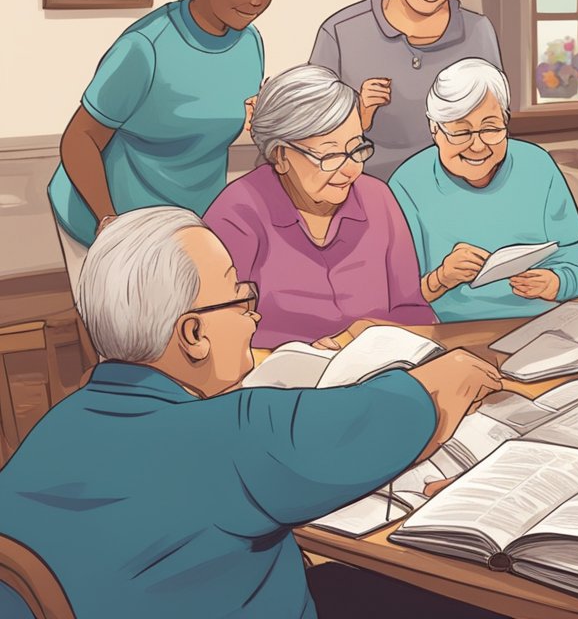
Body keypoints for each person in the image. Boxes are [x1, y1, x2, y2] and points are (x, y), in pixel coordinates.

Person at [0, 207, 504, 618]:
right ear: (193, 335)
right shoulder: (234, 433)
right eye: (241, 296)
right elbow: (408, 411)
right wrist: (457, 368)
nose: (254, 315)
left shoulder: (54, 429)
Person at [48, 0, 275, 286]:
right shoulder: (145, 48)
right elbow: (79, 138)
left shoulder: (250, 43)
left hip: (190, 223)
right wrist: (109, 223)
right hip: (109, 217)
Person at [204, 65, 435, 349]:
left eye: (356, 149)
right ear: (281, 155)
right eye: (331, 155)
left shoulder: (378, 199)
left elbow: (413, 311)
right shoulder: (236, 213)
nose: (351, 169)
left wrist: (367, 332)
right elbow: (215, 335)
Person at [311, 0, 502, 180]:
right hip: (368, 194)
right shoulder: (340, 32)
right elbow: (310, 136)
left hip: (455, 193)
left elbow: (495, 128)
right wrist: (359, 116)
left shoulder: (478, 32)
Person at [388, 59, 578, 321]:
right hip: (450, 328)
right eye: (461, 132)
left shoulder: (537, 165)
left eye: (491, 129)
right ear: (434, 129)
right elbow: (393, 297)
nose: (478, 146)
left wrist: (556, 283)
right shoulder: (408, 183)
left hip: (541, 321)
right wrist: (441, 278)